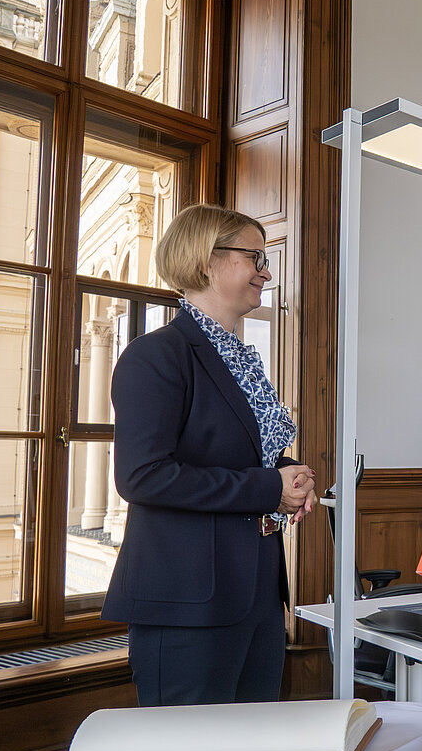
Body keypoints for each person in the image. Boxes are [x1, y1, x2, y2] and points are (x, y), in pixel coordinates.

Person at [102, 203, 316, 706]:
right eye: (255, 257)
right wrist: (269, 488)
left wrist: (287, 474)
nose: (265, 272)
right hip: (187, 602)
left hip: (258, 594)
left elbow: (240, 454)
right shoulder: (155, 356)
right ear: (206, 262)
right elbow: (144, 477)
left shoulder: (241, 356)